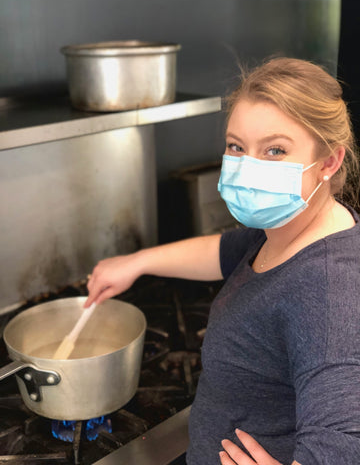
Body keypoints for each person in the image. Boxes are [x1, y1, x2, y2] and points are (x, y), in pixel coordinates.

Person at [85, 57, 360, 465]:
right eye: (237, 146)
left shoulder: (327, 291)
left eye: (275, 150)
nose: (248, 167)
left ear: (329, 162)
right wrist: (137, 262)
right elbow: (222, 252)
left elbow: (344, 440)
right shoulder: (290, 227)